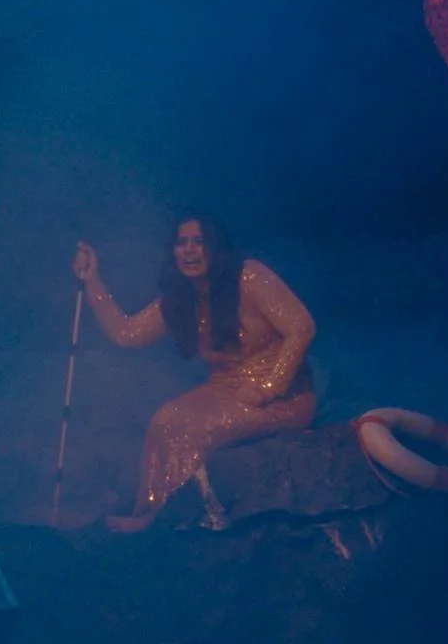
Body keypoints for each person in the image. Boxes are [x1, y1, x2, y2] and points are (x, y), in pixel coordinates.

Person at [72, 216, 318, 533]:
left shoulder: (249, 276)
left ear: (216, 248)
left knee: (192, 430)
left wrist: (269, 387)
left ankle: (179, 518)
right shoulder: (182, 297)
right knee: (164, 420)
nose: (189, 250)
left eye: (199, 242)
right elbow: (127, 333)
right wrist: (93, 282)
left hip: (282, 397)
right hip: (224, 389)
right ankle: (151, 510)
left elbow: (301, 328)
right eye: (181, 243)